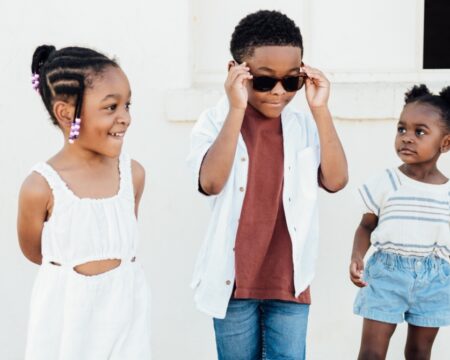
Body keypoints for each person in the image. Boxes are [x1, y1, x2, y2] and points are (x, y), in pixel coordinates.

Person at [187, 10, 348, 359]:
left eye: (291, 81)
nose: (278, 92)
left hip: (290, 281)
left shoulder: (304, 125)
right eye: (264, 81)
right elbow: (211, 182)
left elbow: (336, 180)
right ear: (236, 73)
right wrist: (235, 110)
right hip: (232, 284)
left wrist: (320, 109)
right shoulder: (214, 122)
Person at [18, 45, 151, 359]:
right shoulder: (41, 187)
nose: (126, 118)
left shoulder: (132, 175)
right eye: (111, 107)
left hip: (126, 319)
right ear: (66, 114)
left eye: (127, 105)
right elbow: (35, 251)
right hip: (66, 324)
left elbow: (120, 239)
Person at [350, 84, 450, 360]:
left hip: (436, 280)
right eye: (401, 129)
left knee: (419, 352)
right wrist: (358, 256)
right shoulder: (387, 182)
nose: (407, 138)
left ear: (446, 143)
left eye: (420, 132)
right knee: (371, 352)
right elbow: (367, 225)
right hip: (387, 275)